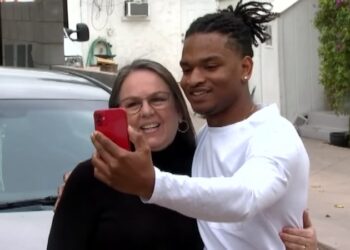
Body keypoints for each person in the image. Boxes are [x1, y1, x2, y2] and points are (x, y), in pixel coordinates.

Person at [90, 1, 313, 249]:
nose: (194, 79)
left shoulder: (275, 135)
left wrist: (152, 183)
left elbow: (245, 198)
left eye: (210, 66)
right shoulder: (204, 138)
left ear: (245, 67)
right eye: (187, 69)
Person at [47, 59, 204, 250]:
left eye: (158, 99)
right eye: (133, 104)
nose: (146, 111)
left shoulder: (205, 167)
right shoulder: (91, 177)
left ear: (179, 110)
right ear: (117, 115)